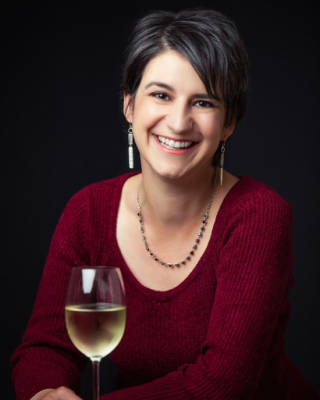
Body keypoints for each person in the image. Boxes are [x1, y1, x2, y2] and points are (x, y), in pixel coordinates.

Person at [11, 9, 319, 400]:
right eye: (160, 95)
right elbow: (45, 348)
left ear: (229, 123)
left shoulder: (259, 216)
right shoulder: (87, 211)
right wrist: (45, 394)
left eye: (203, 102)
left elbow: (222, 385)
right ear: (128, 105)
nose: (177, 122)